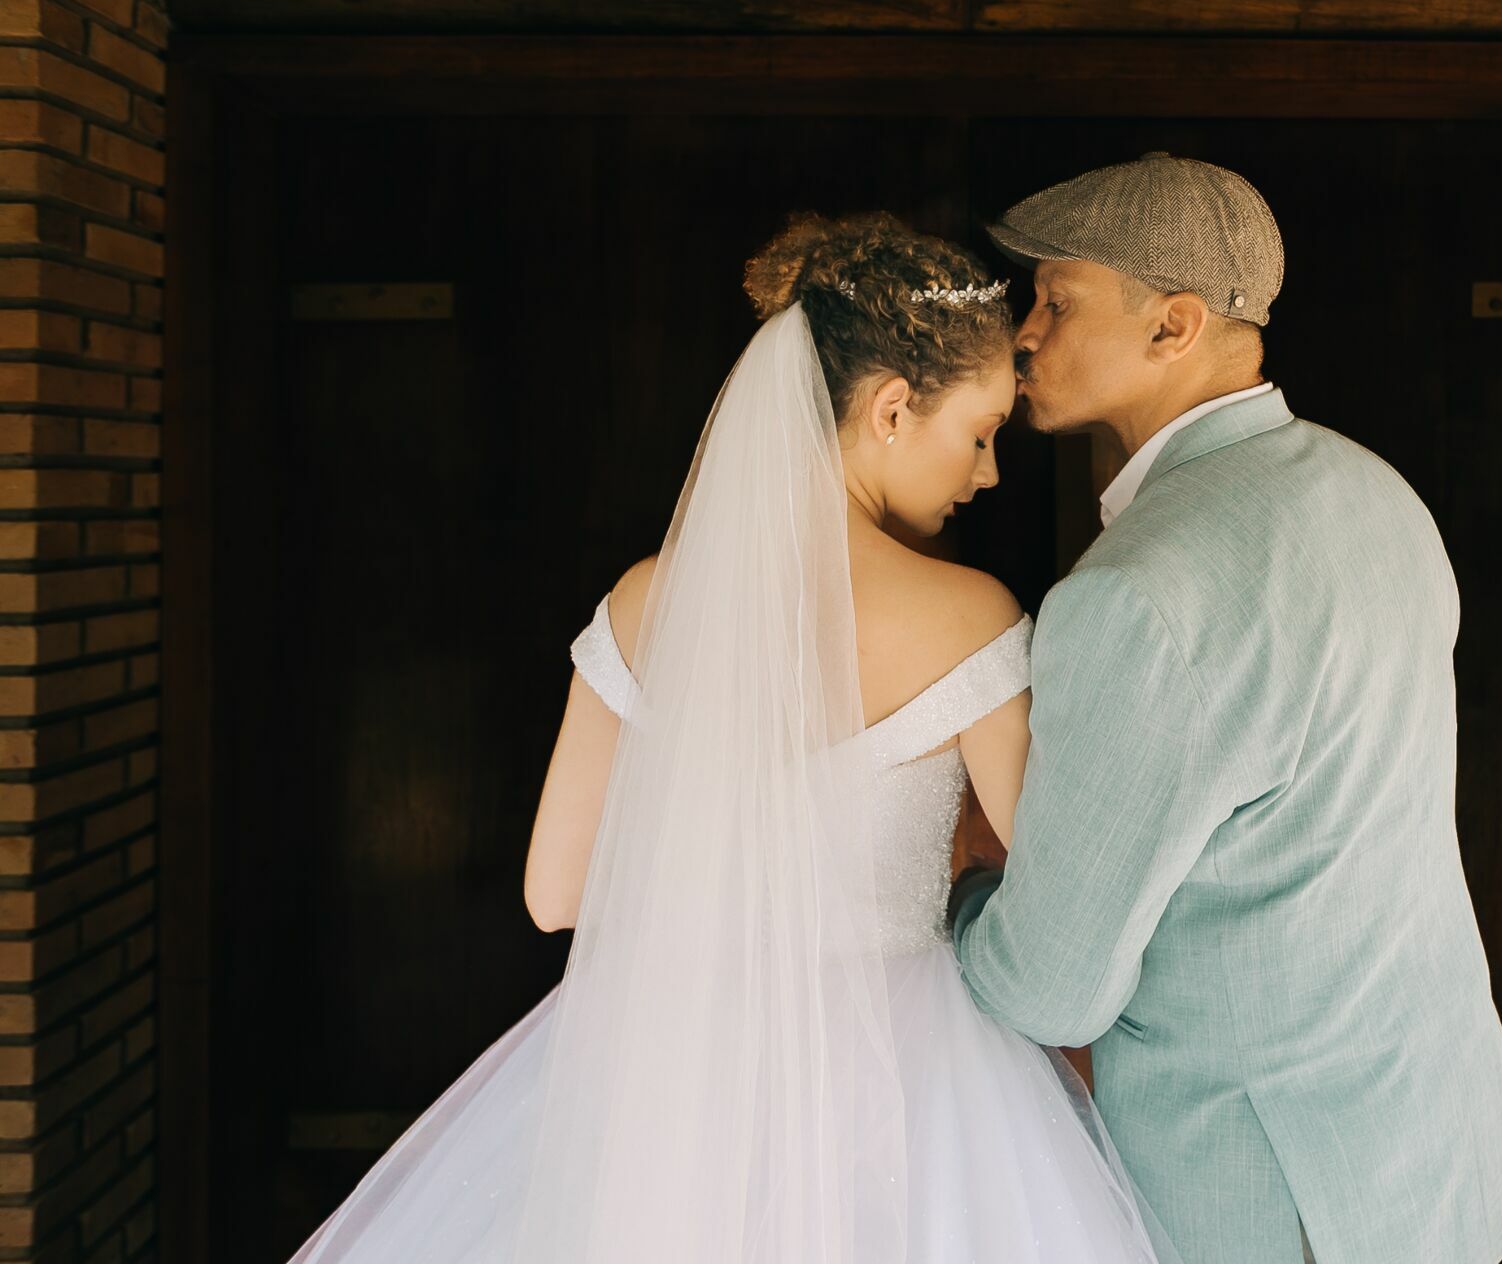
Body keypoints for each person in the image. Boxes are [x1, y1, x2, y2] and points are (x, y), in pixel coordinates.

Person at [286, 212, 1174, 1263]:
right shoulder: (969, 615)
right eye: (979, 434)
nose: (985, 475)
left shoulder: (641, 603)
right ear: (893, 410)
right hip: (906, 1072)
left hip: (671, 1066)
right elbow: (1059, 891)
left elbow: (555, 895)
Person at [949, 152, 1502, 1264]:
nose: (1022, 333)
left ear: (1173, 325)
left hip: (1271, 1196)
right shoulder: (1382, 494)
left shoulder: (1134, 595)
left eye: (1057, 301)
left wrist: (965, 881)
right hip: (1436, 1152)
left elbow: (1051, 987)